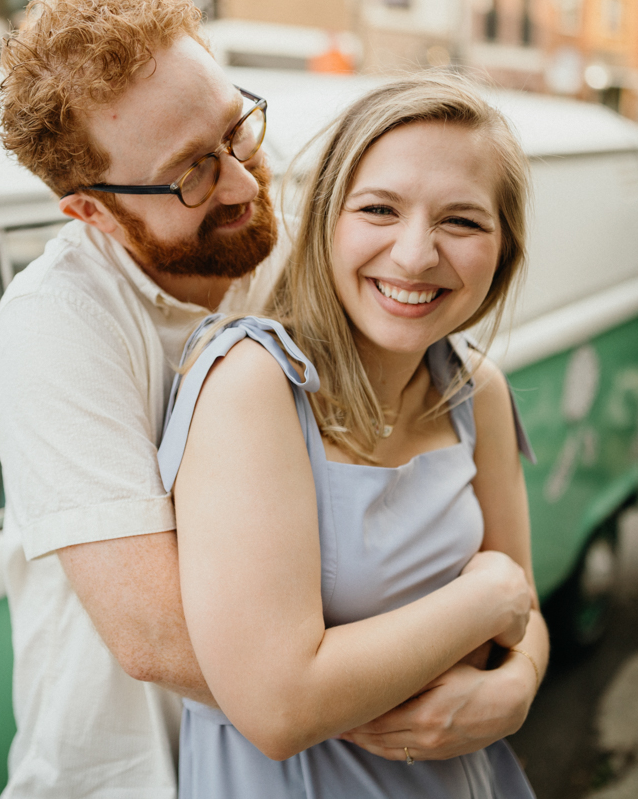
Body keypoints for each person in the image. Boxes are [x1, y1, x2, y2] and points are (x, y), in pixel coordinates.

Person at [0, 1, 541, 796]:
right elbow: (156, 637)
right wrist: (432, 677)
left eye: (237, 128)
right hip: (139, 770)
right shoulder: (59, 325)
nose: (244, 179)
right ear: (93, 212)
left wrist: (513, 685)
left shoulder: (272, 240)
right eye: (190, 173)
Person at [157, 72, 549, 797]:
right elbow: (277, 707)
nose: (413, 255)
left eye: (461, 222)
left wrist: (517, 686)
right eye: (379, 209)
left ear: (503, 252)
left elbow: (525, 602)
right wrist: (482, 603)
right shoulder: (255, 385)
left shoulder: (475, 390)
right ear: (326, 218)